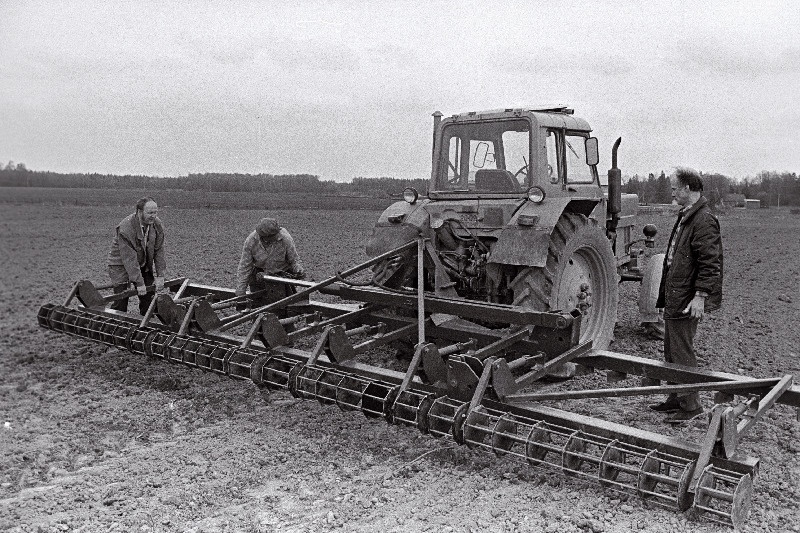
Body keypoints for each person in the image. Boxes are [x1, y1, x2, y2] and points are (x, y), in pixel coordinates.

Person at [649, 168, 723, 423]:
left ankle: (691, 406)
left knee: (682, 351)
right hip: (676, 294)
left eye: (674, 188)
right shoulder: (687, 216)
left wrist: (700, 296)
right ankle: (675, 397)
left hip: (687, 298)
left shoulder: (703, 220)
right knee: (671, 349)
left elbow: (710, 263)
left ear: (688, 189)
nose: (672, 192)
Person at [107, 197, 166, 314]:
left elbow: (159, 250)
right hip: (120, 265)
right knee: (121, 300)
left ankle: (147, 323)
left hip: (142, 262)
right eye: (150, 213)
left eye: (155, 212)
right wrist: (139, 283)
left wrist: (160, 276)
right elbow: (129, 259)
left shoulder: (157, 225)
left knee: (149, 298)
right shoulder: (126, 227)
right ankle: (116, 323)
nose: (153, 216)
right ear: (139, 212)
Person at [235, 218, 305, 310]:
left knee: (284, 310)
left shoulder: (285, 239)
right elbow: (245, 267)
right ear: (265, 236)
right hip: (259, 277)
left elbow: (294, 260)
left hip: (281, 278)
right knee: (259, 309)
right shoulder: (251, 241)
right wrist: (241, 291)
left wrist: (298, 269)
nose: (276, 237)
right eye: (273, 236)